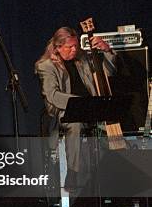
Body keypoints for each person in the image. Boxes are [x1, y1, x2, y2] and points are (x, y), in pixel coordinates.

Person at [35, 26, 115, 191]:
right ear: (58, 47)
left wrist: (107, 51)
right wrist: (77, 102)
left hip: (90, 107)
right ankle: (73, 171)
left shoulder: (82, 58)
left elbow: (108, 73)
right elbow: (52, 95)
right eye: (69, 47)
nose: (74, 50)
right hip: (64, 110)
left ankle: (115, 173)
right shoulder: (46, 65)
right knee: (75, 123)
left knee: (115, 119)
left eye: (75, 46)